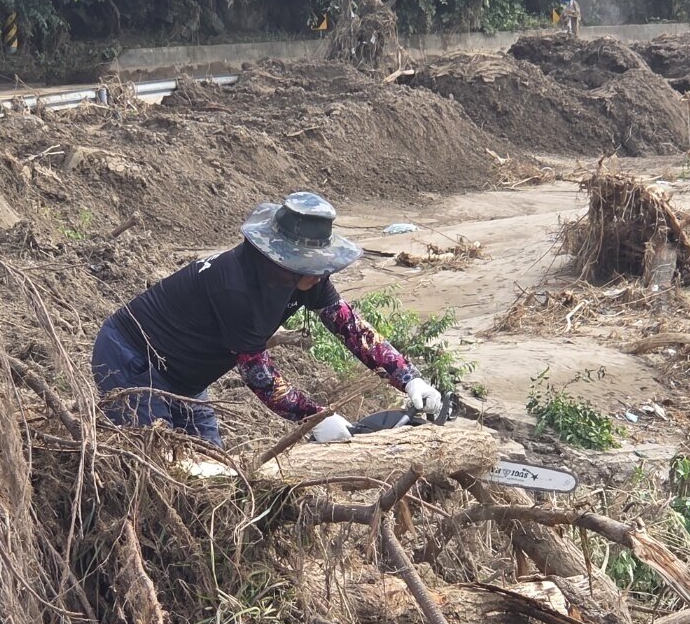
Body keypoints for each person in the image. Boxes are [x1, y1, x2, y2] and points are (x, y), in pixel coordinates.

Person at [91, 192, 443, 447]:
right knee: (158, 461)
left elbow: (348, 325)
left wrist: (409, 379)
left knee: (212, 462)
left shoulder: (306, 277)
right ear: (286, 262)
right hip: (131, 359)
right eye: (313, 267)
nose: (321, 277)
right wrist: (313, 419)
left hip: (185, 376)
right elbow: (259, 376)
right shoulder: (236, 288)